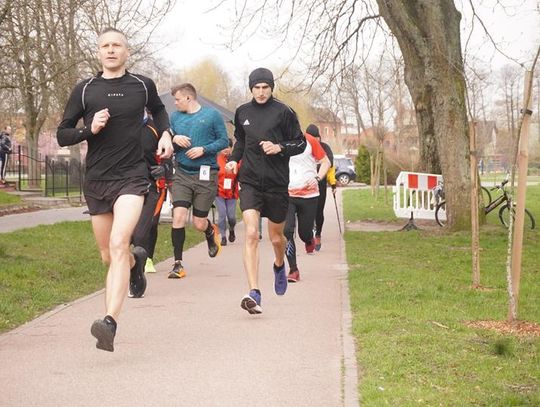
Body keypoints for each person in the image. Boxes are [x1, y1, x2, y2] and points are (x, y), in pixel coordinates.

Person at [56, 27, 173, 352]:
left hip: (132, 176)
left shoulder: (141, 85)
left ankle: (109, 322)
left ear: (126, 50)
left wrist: (165, 134)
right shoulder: (85, 91)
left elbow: (160, 111)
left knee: (120, 243)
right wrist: (87, 130)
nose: (111, 50)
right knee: (109, 255)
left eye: (116, 45)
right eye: (105, 46)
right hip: (97, 179)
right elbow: (62, 133)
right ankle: (135, 269)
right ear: (98, 52)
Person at [226, 67, 306, 314]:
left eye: (265, 88)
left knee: (276, 238)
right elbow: (241, 141)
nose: (261, 92)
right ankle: (254, 292)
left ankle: (279, 264)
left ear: (271, 88)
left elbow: (300, 143)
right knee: (250, 234)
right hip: (249, 181)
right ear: (250, 88)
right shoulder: (242, 112)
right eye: (257, 88)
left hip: (276, 183)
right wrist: (233, 159)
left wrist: (279, 147)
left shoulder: (284, 112)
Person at [167, 83, 229, 279]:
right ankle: (178, 264)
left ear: (188, 98)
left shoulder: (212, 116)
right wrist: (175, 138)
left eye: (177, 99)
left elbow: (224, 141)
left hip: (205, 174)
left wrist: (204, 149)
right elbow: (168, 139)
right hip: (182, 174)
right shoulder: (175, 117)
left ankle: (210, 230)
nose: (175, 103)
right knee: (178, 216)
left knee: (198, 223)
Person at [284, 125, 331, 283]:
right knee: (287, 231)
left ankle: (309, 239)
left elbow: (326, 162)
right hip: (287, 194)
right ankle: (293, 270)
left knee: (304, 233)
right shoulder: (279, 142)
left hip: (309, 195)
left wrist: (318, 178)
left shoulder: (310, 141)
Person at [131, 115, 173, 278]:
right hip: (126, 183)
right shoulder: (121, 123)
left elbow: (169, 158)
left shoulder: (156, 128)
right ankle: (132, 263)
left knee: (150, 225)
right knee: (131, 232)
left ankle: (147, 259)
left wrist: (164, 169)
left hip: (153, 185)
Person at [307, 124, 337, 251]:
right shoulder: (303, 147)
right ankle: (309, 237)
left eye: (315, 138)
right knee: (307, 212)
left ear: (318, 138)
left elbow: (329, 164)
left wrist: (333, 183)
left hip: (320, 185)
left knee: (319, 212)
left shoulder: (325, 148)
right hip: (306, 185)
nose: (312, 140)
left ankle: (318, 233)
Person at [216, 138, 239, 246]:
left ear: (231, 148)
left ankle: (232, 229)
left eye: (227, 147)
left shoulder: (235, 160)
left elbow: (240, 173)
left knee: (231, 217)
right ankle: (223, 237)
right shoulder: (216, 160)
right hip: (219, 193)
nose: (225, 149)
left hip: (232, 193)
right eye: (223, 147)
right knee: (221, 215)